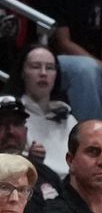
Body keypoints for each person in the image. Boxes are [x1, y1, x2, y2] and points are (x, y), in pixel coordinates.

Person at [6, 47, 76, 179]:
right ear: (22, 72)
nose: (43, 73)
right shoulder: (10, 117)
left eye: (49, 68)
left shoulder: (69, 119)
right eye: (35, 66)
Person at [0, 96, 63, 213]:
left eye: (17, 123)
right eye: (1, 124)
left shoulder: (47, 175)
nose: (11, 131)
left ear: (26, 131)